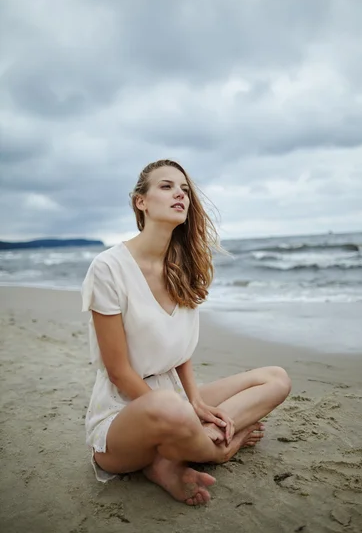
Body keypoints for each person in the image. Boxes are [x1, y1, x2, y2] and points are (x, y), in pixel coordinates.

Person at [81, 159, 291, 506]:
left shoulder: (184, 267)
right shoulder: (108, 268)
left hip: (174, 400)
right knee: (168, 405)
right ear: (141, 201)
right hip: (122, 418)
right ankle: (221, 449)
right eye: (166, 186)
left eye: (184, 190)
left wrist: (195, 401)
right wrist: (188, 411)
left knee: (276, 377)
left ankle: (171, 456)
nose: (179, 194)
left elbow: (180, 350)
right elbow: (118, 372)